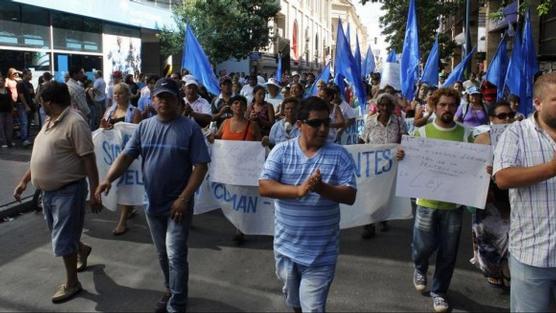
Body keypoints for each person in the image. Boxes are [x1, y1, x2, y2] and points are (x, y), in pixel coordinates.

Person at [95, 78, 210, 313]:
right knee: (162, 253)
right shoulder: (145, 127)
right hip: (152, 203)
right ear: (153, 100)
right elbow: (126, 157)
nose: (164, 101)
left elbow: (200, 167)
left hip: (178, 205)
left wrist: (184, 198)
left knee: (176, 254)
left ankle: (177, 303)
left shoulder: (190, 129)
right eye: (160, 97)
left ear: (177, 100)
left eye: (169, 97)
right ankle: (170, 289)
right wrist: (108, 179)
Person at [259, 96, 357, 312]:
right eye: (315, 123)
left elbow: (350, 195)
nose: (323, 129)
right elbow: (265, 187)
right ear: (299, 125)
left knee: (312, 307)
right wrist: (299, 191)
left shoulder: (340, 155)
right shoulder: (281, 151)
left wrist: (323, 189)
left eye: (326, 122)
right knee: (295, 302)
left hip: (321, 253)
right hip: (286, 251)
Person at [13, 81, 101, 303]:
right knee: (61, 235)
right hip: (48, 193)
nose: (40, 105)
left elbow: (88, 159)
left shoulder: (75, 122)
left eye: (41, 101)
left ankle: (72, 283)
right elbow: (41, 155)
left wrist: (96, 191)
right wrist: (25, 181)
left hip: (68, 191)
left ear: (49, 102)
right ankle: (81, 249)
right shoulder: (50, 121)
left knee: (62, 238)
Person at [399, 88, 475, 313]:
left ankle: (439, 292)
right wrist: (401, 156)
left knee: (448, 253)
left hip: (453, 205)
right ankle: (420, 267)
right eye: (442, 105)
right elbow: (408, 160)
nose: (447, 109)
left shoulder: (465, 134)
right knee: (422, 247)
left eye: (452, 105)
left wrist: (484, 168)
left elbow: (475, 165)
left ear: (457, 107)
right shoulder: (421, 134)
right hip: (427, 203)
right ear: (434, 106)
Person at [493, 72, 556, 312]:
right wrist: (551, 169)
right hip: (533, 257)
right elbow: (503, 177)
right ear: (537, 103)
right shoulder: (516, 133)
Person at [470, 101, 513, 289]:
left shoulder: (520, 137)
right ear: (491, 119)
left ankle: (508, 271)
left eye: (510, 115)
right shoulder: (483, 139)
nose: (507, 119)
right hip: (490, 197)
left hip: (512, 197)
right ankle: (493, 270)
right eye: (502, 116)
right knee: (488, 238)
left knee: (510, 237)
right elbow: (473, 169)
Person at [360, 93, 407, 238]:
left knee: (386, 192)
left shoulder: (399, 122)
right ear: (378, 106)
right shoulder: (370, 122)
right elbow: (362, 140)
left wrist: (402, 151)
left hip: (391, 165)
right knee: (370, 194)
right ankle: (369, 224)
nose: (385, 108)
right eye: (382, 105)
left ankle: (383, 217)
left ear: (393, 107)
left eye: (388, 105)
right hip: (373, 164)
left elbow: (406, 139)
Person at [101, 82, 142, 235]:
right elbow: (102, 128)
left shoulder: (135, 112)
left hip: (128, 155)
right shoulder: (109, 111)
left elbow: (136, 132)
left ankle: (122, 221)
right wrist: (105, 127)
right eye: (115, 94)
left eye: (121, 93)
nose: (117, 96)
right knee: (117, 183)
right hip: (112, 153)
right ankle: (129, 208)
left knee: (126, 186)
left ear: (128, 94)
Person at [16, 69, 35, 146]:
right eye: (29, 74)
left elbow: (32, 95)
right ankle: (24, 139)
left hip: (29, 105)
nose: (31, 76)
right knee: (24, 122)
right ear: (25, 75)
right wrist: (26, 106)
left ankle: (26, 137)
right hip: (22, 105)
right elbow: (21, 95)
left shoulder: (30, 84)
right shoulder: (20, 84)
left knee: (28, 122)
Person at [0, 75, 14, 148]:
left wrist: (12, 108)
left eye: (1, 80)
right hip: (0, 112)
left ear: (4, 81)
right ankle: (3, 142)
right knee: (1, 127)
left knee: (9, 126)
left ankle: (9, 141)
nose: (0, 82)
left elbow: (11, 99)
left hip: (8, 110)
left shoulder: (7, 89)